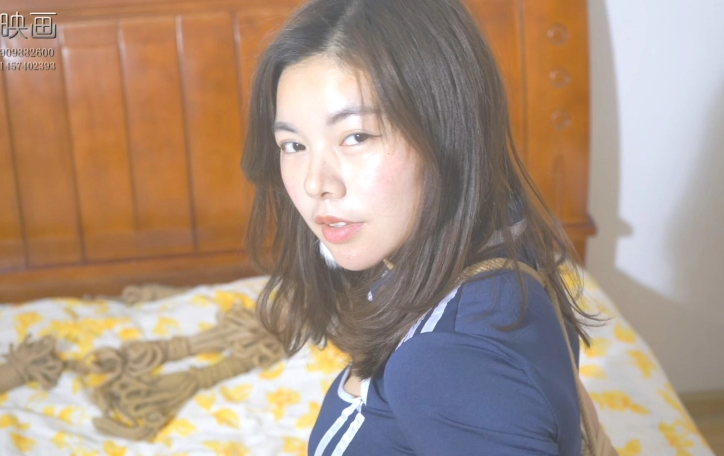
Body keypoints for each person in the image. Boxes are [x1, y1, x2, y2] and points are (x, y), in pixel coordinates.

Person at [241, 0, 596, 454]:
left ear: (446, 131)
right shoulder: (499, 231)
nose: (315, 184)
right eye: (293, 145)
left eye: (356, 136)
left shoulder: (449, 357)